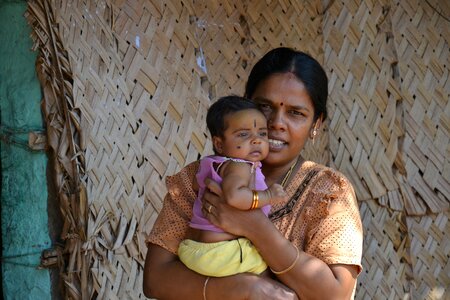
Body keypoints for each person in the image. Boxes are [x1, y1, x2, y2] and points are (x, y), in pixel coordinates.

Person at [143, 47, 363, 300]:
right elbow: (155, 279)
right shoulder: (197, 179)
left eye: (296, 113)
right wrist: (243, 288)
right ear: (246, 103)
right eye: (264, 106)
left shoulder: (329, 192)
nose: (276, 123)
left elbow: (336, 295)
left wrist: (256, 228)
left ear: (316, 124)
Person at [178, 95, 288, 277]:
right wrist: (268, 196)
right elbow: (234, 197)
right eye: (244, 134)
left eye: (262, 133)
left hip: (196, 249)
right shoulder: (239, 166)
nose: (256, 140)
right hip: (220, 254)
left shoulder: (216, 163)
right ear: (219, 144)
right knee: (272, 272)